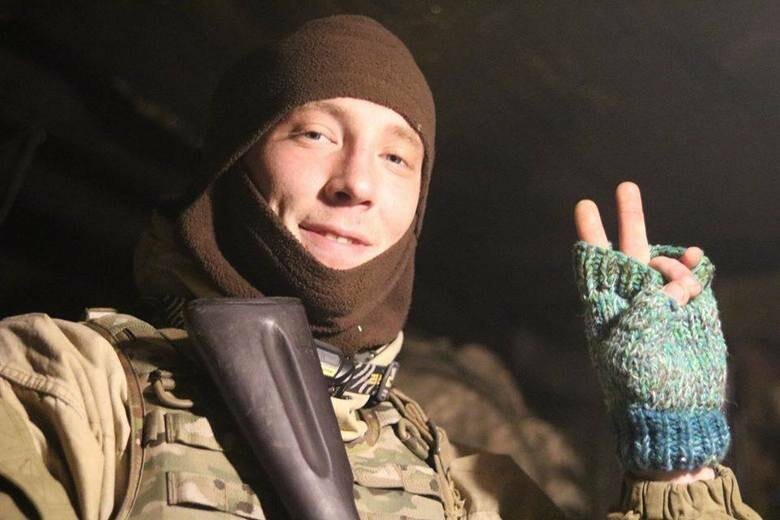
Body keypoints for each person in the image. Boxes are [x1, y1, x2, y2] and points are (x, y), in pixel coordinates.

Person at [0, 14, 762, 520]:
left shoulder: (471, 487)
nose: (357, 183)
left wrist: (677, 463)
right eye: (314, 135)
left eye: (397, 157)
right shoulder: (64, 391)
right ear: (235, 163)